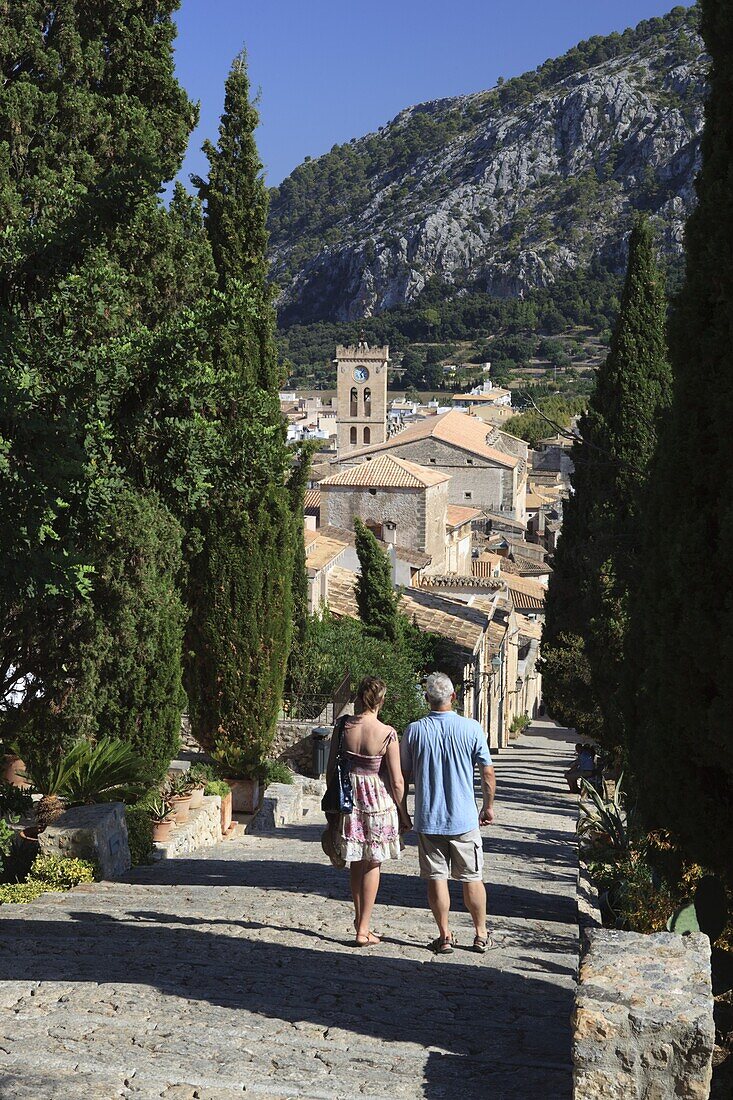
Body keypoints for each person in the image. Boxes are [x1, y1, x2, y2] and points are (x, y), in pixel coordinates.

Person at [400, 672, 496, 954]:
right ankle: (480, 935)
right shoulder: (472, 728)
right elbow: (487, 772)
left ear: (427, 699)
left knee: (437, 878)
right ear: (454, 697)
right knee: (473, 877)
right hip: (464, 818)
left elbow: (402, 777)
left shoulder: (414, 731)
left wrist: (403, 812)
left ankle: (444, 936)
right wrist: (488, 806)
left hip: (430, 818)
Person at [325, 676, 410, 947]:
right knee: (373, 862)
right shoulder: (387, 733)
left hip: (349, 798)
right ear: (381, 700)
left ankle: (359, 920)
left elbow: (330, 769)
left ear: (359, 697)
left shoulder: (343, 726)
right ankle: (364, 929)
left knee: (356, 859)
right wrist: (404, 813)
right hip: (376, 801)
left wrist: (333, 810)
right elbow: (397, 781)